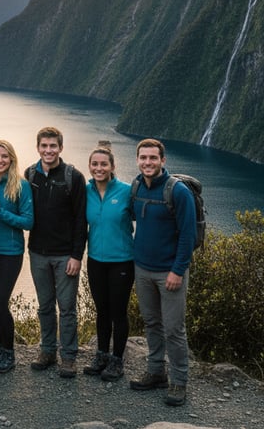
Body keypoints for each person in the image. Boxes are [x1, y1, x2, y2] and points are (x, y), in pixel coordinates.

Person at [129, 138, 195, 407]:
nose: (147, 162)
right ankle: (156, 371)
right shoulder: (136, 187)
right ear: (138, 160)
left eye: (153, 158)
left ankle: (179, 381)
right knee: (152, 323)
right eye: (143, 158)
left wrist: (177, 270)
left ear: (163, 161)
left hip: (169, 273)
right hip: (142, 269)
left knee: (174, 329)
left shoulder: (178, 192)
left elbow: (188, 235)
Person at [25, 126, 87, 378]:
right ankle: (47, 350)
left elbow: (81, 220)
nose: (48, 150)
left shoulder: (73, 177)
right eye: (44, 146)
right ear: (38, 147)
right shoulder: (30, 174)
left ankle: (69, 357)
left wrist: (76, 255)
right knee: (45, 306)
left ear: (60, 147)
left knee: (68, 308)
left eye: (53, 146)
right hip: (38, 252)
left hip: (65, 256)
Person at [0, 140, 34, 374]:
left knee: (0, 301)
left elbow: (28, 221)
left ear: (11, 158)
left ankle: (9, 353)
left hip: (10, 253)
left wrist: (0, 211)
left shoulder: (21, 185)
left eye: (4, 156)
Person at [81, 145, 134, 382]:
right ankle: (101, 354)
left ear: (113, 166)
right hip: (95, 261)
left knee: (118, 312)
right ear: (90, 166)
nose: (99, 168)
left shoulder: (126, 191)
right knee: (101, 310)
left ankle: (117, 360)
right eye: (95, 164)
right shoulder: (86, 191)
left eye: (104, 164)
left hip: (122, 261)